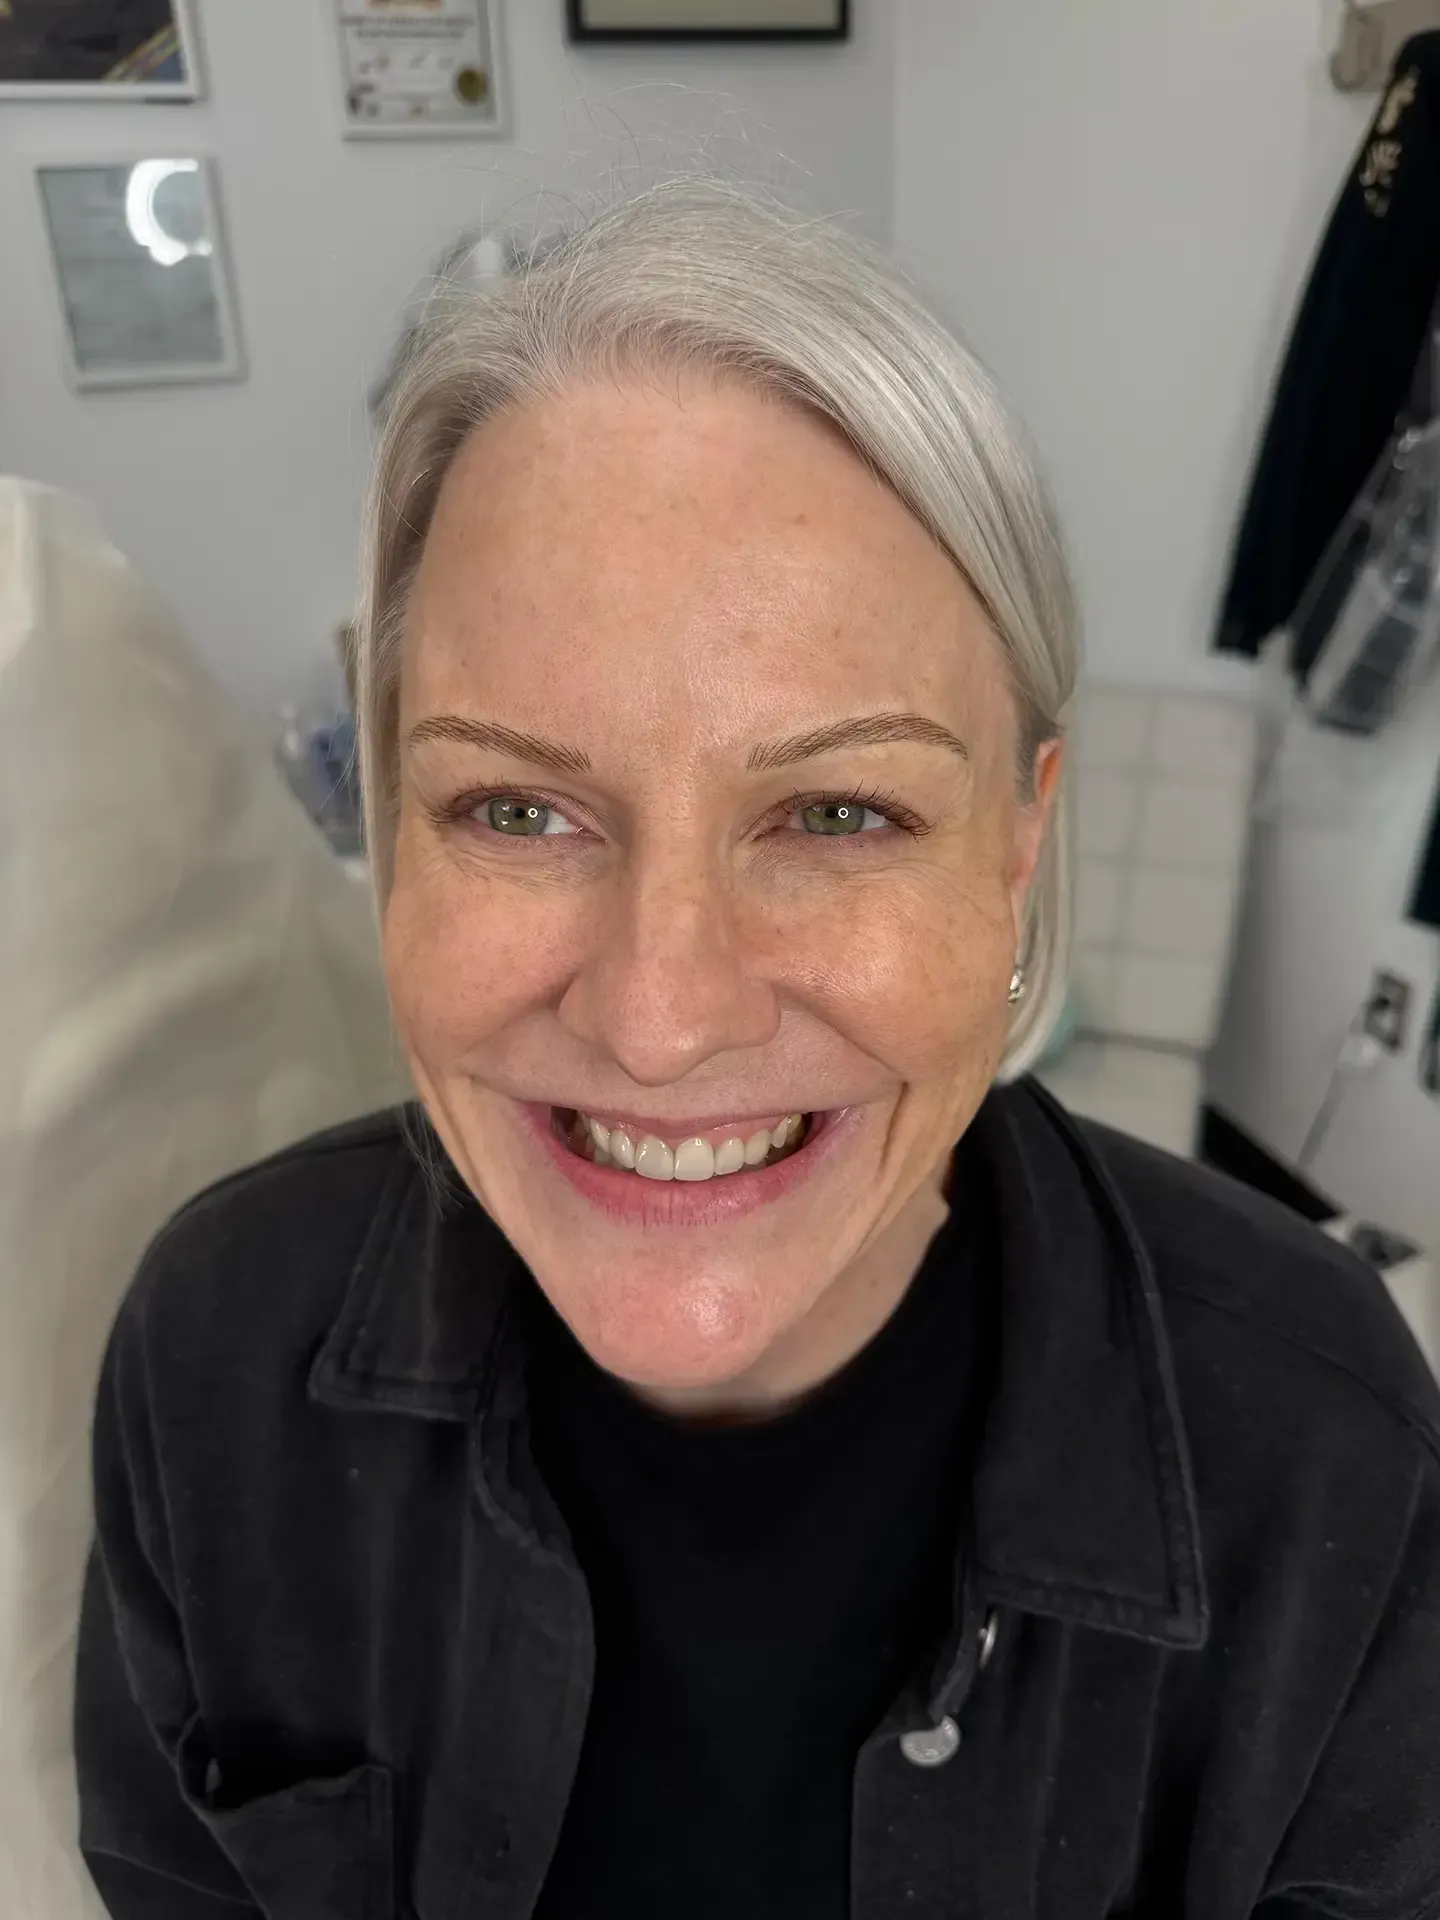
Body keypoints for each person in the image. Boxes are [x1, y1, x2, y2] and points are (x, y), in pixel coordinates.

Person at [73, 182, 1440, 1920]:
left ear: (1016, 851)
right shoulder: (215, 1361)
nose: (661, 1015)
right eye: (515, 805)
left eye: (840, 811)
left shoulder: (1325, 1457)